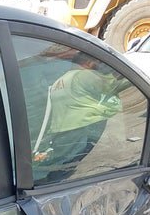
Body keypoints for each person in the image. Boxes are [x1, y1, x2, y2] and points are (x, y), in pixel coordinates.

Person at [33, 52, 132, 180]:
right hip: (82, 126)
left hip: (62, 129)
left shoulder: (60, 81)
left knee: (63, 162)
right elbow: (112, 86)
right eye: (96, 62)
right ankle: (53, 185)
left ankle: (50, 182)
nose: (98, 66)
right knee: (68, 166)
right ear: (87, 63)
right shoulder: (83, 75)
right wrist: (131, 78)